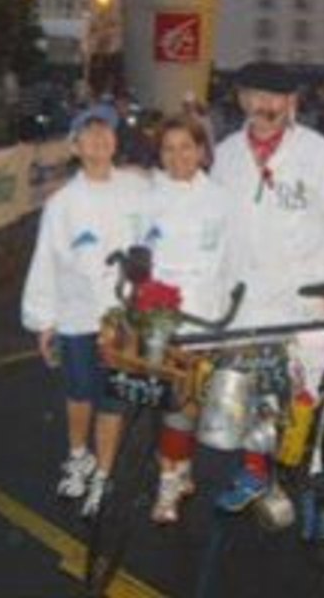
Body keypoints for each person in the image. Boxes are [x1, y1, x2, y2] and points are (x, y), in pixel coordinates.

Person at [211, 61, 324, 512]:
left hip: (304, 298)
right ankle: (255, 474)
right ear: (242, 100)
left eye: (274, 97)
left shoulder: (317, 153)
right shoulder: (226, 154)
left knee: (306, 394)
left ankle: (313, 483)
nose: (264, 106)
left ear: (291, 102)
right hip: (245, 301)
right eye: (255, 96)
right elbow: (211, 223)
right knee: (249, 390)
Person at [20, 103, 150, 518]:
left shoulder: (138, 188)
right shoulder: (62, 203)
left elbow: (171, 213)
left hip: (123, 319)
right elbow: (45, 261)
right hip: (77, 316)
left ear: (115, 140)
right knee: (78, 395)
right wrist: (43, 320)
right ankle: (78, 457)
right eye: (89, 133)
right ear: (75, 147)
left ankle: (103, 474)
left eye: (105, 131)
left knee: (112, 400)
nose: (99, 139)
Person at [144, 115, 234, 524]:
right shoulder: (147, 196)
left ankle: (176, 471)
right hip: (159, 319)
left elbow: (233, 261)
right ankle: (171, 476)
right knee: (172, 404)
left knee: (187, 403)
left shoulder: (221, 199)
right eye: (168, 148)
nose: (177, 156)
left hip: (204, 316)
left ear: (201, 151)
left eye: (186, 147)